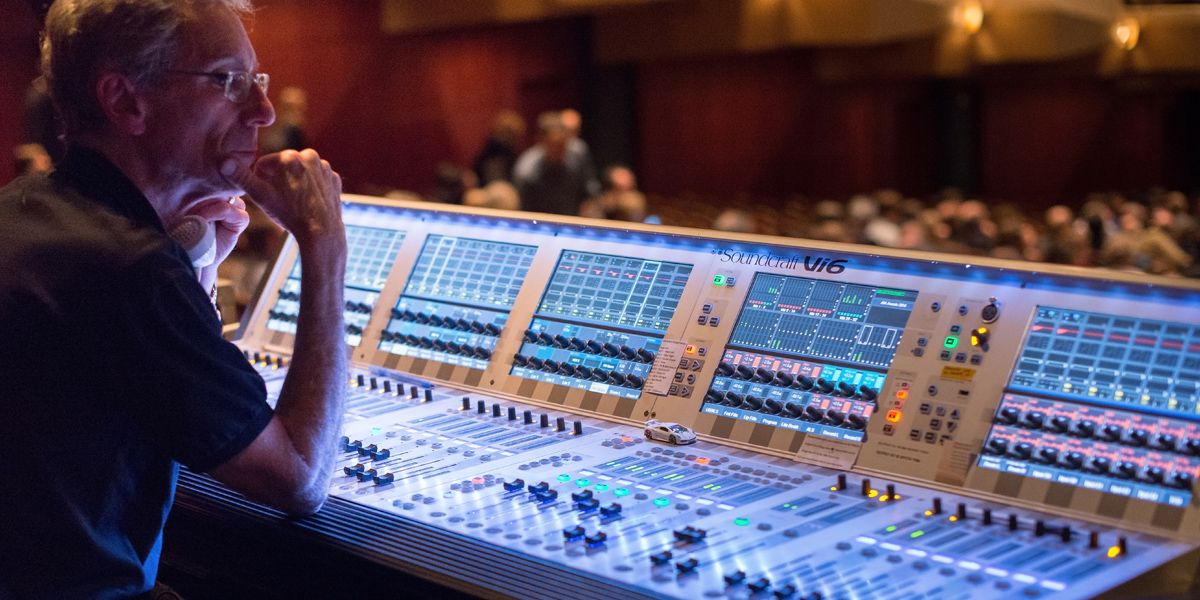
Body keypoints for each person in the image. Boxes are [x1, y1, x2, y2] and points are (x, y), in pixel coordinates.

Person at [0, 1, 349, 597]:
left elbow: (141, 372)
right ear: (125, 100)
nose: (262, 109)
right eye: (228, 81)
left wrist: (196, 262)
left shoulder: (25, 210)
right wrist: (324, 247)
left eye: (256, 81)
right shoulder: (127, 268)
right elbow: (298, 478)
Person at [513, 111, 599, 215]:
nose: (560, 150)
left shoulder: (579, 154)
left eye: (563, 144)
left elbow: (590, 189)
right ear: (541, 142)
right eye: (554, 145)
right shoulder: (527, 171)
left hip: (574, 221)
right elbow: (525, 211)